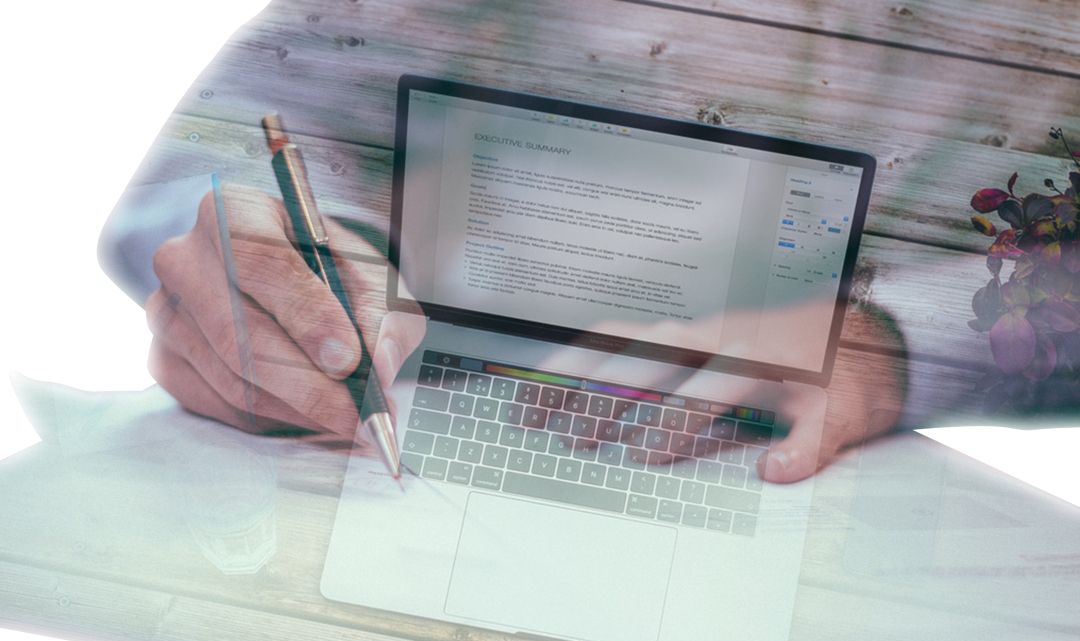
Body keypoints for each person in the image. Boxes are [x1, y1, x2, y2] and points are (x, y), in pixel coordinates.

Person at [98, 6, 908, 484]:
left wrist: (893, 334)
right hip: (427, 401)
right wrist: (270, 268)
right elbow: (233, 133)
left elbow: (1034, 231)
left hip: (755, 453)